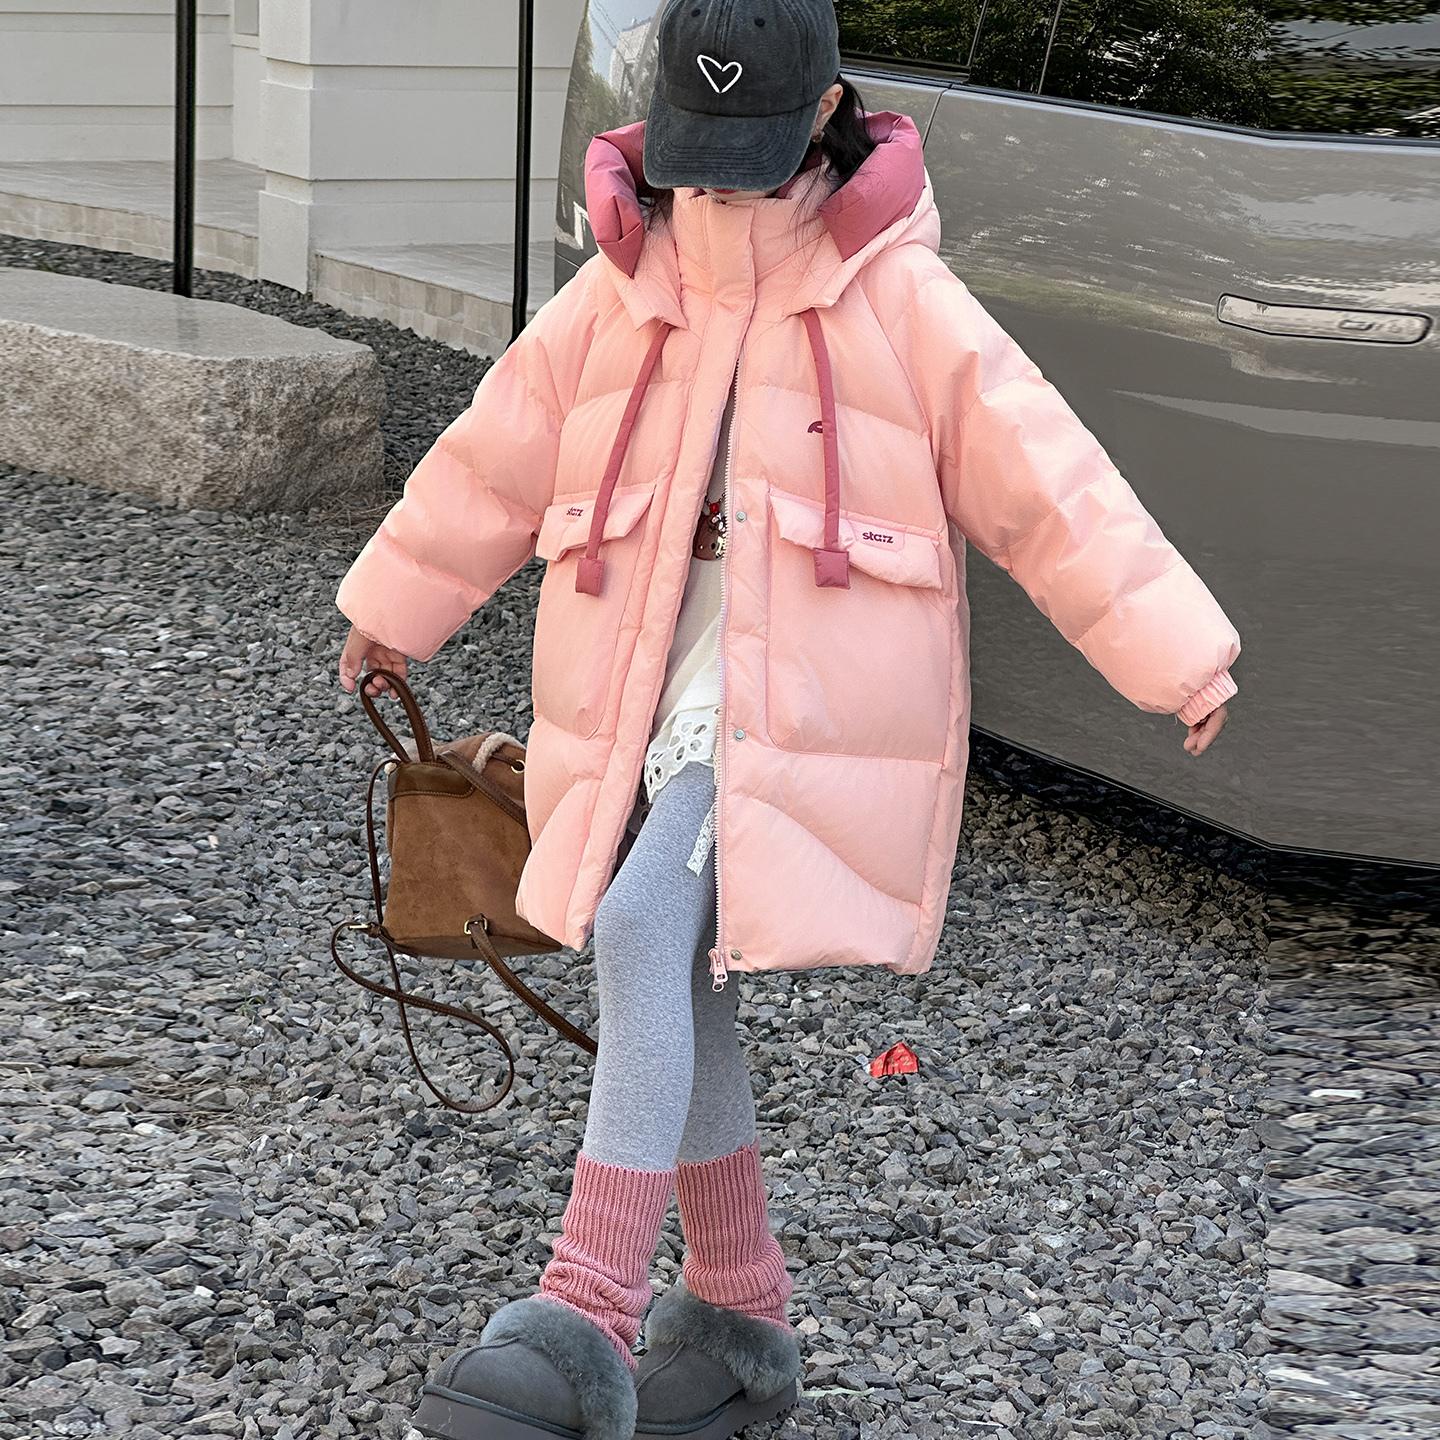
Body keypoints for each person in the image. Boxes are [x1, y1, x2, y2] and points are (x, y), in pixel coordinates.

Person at [333, 3, 1240, 1437]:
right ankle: (743, 1317)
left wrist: (1177, 654)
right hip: (640, 678)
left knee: (644, 928)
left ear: (825, 113)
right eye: (698, 151)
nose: (718, 187)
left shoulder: (900, 297)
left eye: (750, 150)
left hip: (787, 700)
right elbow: (499, 451)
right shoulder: (629, 281)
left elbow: (1048, 484)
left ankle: (584, 1310)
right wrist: (399, 598)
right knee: (680, 975)